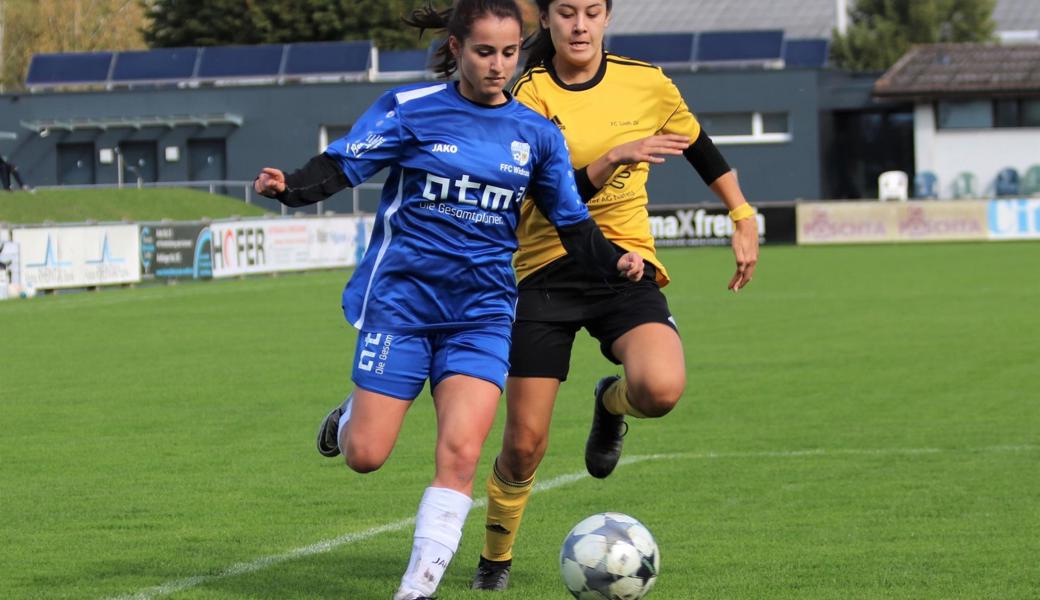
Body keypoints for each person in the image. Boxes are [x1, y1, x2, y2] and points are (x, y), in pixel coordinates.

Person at [255, 1, 645, 598]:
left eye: (509, 53)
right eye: (484, 52)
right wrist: (292, 189)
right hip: (403, 308)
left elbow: (571, 222)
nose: (497, 65)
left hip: (483, 314)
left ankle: (417, 589)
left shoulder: (537, 134)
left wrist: (613, 259)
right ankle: (354, 413)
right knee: (365, 455)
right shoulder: (412, 111)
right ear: (457, 48)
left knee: (461, 455)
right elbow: (343, 164)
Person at [470, 0, 760, 591]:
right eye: (567, 12)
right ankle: (495, 560)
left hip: (626, 267)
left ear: (608, 19)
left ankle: (610, 404)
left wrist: (742, 213)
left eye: (593, 12)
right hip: (545, 270)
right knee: (524, 446)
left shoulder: (646, 82)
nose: (580, 26)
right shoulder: (523, 95)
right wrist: (609, 160)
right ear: (545, 21)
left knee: (661, 389)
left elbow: (698, 144)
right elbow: (533, 199)